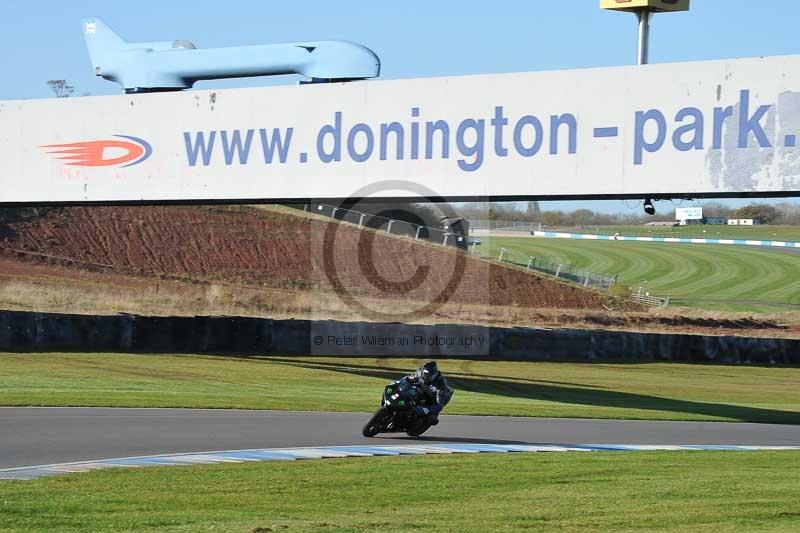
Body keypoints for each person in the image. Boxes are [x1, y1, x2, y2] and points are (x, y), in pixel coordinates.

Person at [406, 361, 453, 425]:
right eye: (425, 373)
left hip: (434, 396)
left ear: (433, 373)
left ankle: (430, 415)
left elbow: (439, 401)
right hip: (421, 390)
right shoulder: (419, 372)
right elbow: (408, 378)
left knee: (436, 410)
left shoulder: (441, 380)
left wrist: (430, 409)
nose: (426, 375)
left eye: (428, 374)